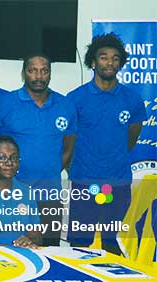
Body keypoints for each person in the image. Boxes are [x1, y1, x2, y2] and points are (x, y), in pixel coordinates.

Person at [67, 33, 146, 255]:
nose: (109, 62)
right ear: (93, 62)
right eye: (103, 57)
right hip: (84, 183)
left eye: (115, 58)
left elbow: (132, 136)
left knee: (113, 246)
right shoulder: (75, 98)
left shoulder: (132, 99)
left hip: (117, 183)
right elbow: (68, 139)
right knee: (79, 246)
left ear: (121, 63)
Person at [0, 53, 76, 246]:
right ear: (24, 74)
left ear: (50, 74)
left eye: (44, 70)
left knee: (50, 252)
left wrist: (49, 171)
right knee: (12, 250)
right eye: (32, 70)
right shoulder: (6, 103)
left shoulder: (65, 105)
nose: (39, 76)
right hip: (12, 195)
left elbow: (68, 149)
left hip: (50, 196)